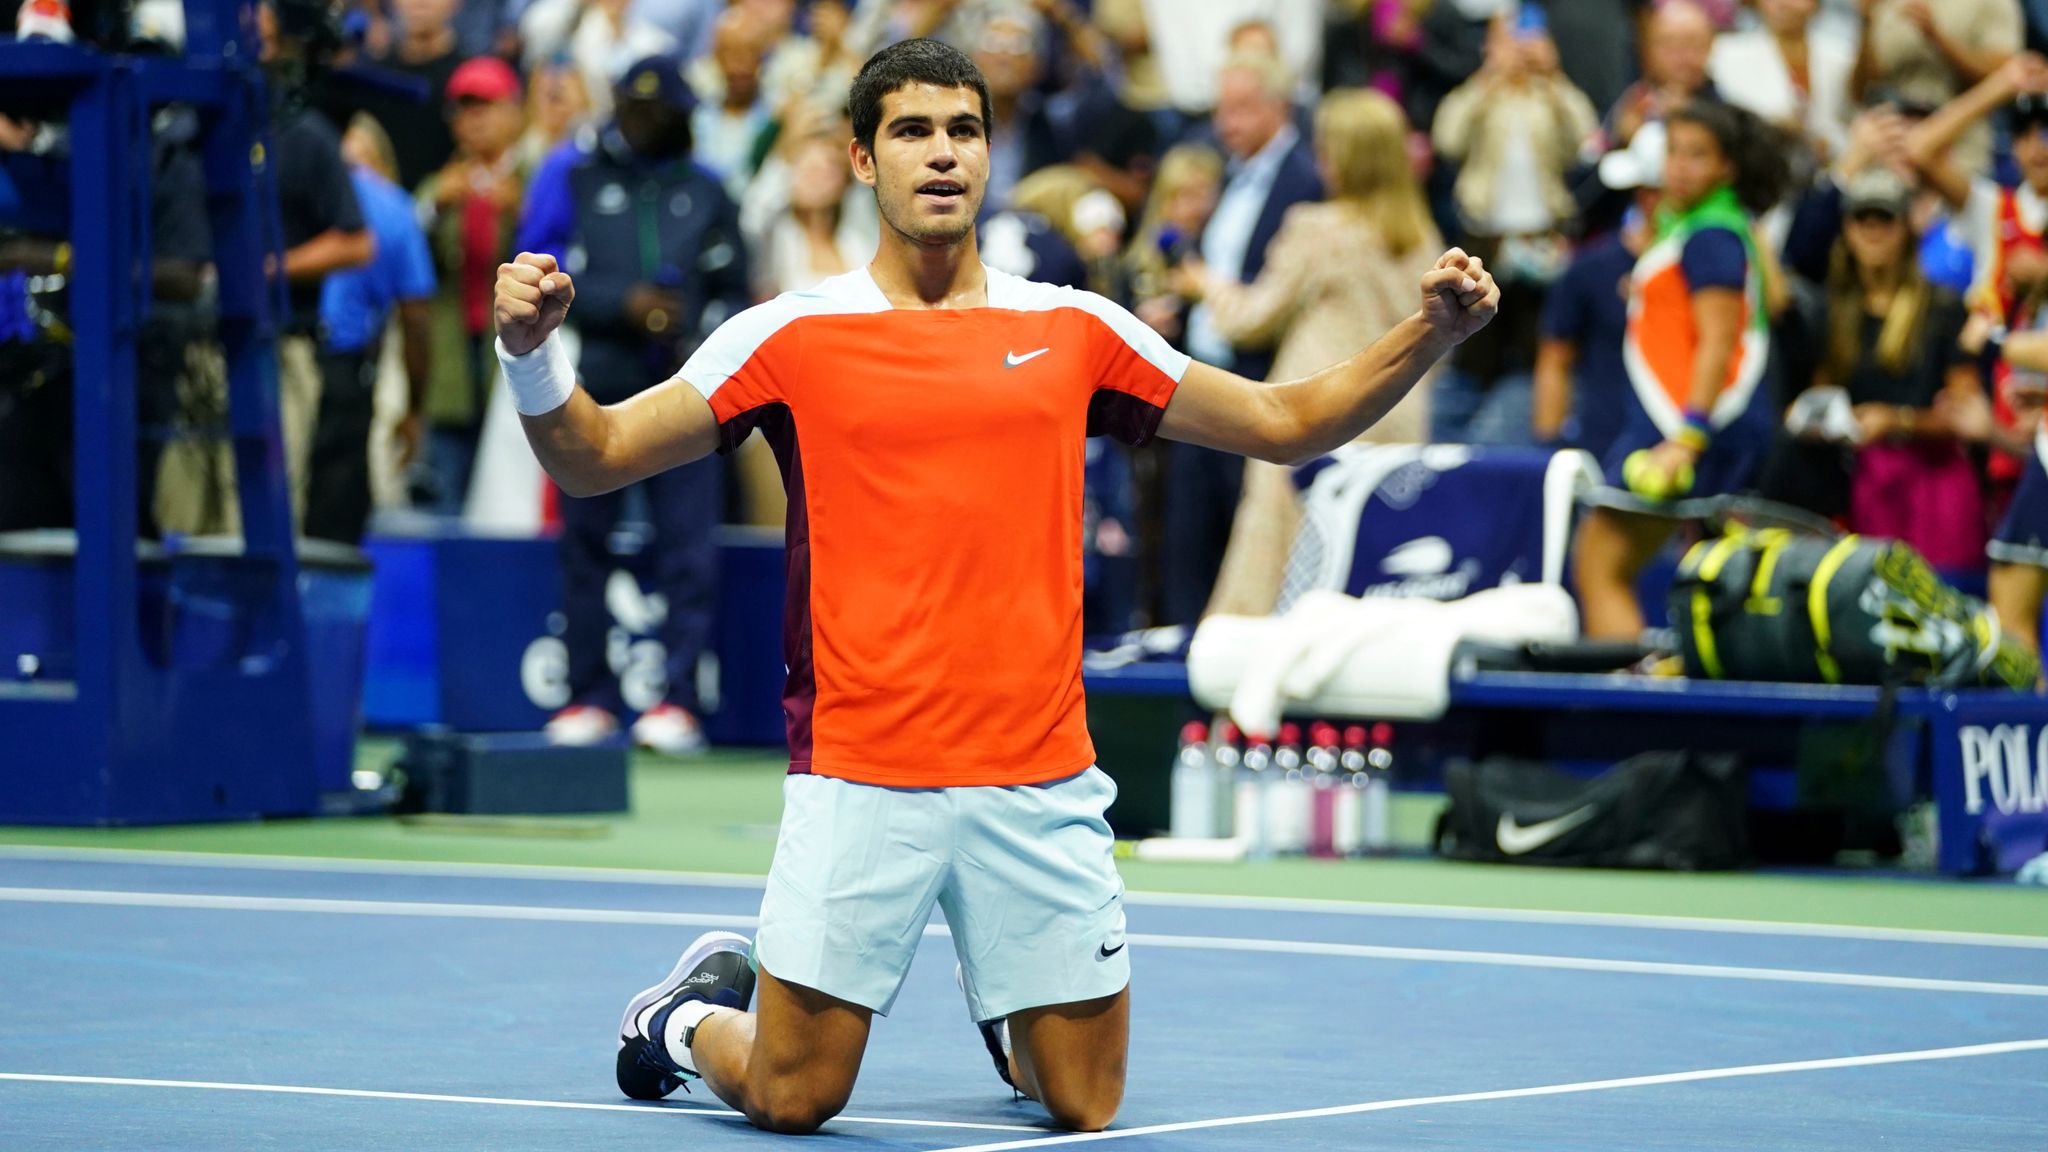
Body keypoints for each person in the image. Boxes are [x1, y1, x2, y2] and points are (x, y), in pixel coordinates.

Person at [492, 38, 1496, 1137]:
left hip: (1037, 771)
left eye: (962, 131)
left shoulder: (1071, 327)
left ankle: (1004, 993)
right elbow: (591, 456)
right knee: (794, 1095)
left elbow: (1282, 422)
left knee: (1080, 1100)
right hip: (862, 771)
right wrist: (537, 355)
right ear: (862, 161)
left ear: (988, 154)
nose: (941, 155)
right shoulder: (786, 335)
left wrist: (1428, 333)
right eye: (911, 132)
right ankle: (682, 1018)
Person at [516, 54, 750, 754]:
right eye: (633, 109)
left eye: (658, 112)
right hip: (601, 377)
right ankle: (587, 695)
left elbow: (738, 286)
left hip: (690, 386)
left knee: (688, 546)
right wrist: (625, 303)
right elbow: (536, 261)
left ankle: (677, 699)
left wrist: (696, 325)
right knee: (585, 538)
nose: (642, 122)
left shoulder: (711, 189)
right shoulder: (576, 177)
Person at [1573, 98, 1791, 641]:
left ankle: (1619, 708)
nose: (1679, 165)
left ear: (1726, 169)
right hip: (1692, 427)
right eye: (1673, 151)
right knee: (1699, 582)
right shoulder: (1703, 225)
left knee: (1601, 564)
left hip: (1688, 430)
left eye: (1698, 155)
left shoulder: (1711, 234)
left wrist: (1688, 439)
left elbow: (1719, 341)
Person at [1168, 49, 1322, 626]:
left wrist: (1205, 287)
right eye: (1221, 110)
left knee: (1242, 533)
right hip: (1198, 370)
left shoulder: (1303, 182)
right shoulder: (1228, 174)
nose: (1225, 123)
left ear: (1279, 107)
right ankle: (1185, 653)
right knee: (1189, 533)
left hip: (1255, 380)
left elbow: (1275, 299)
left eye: (1241, 109)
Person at [1803, 167, 1986, 570]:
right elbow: (1821, 395)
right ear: (1846, 230)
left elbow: (1967, 415)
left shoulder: (1942, 308)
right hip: (1868, 487)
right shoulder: (1831, 311)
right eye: (1861, 218)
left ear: (1906, 228)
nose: (1873, 230)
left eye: (1884, 218)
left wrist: (1897, 420)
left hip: (1935, 489)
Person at [311, 113, 436, 543]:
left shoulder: (287, 184)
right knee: (336, 519)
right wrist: (415, 409)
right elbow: (416, 320)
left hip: (277, 357)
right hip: (346, 372)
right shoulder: (396, 207)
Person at [416, 54, 531, 514]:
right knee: (446, 480)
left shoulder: (536, 178)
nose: (475, 118)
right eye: (464, 108)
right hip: (451, 352)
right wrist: (434, 207)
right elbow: (407, 257)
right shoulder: (441, 186)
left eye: (486, 105)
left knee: (510, 492)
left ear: (514, 111)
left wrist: (523, 214)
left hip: (514, 353)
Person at [1534, 122, 1666, 457]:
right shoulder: (1589, 270)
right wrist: (1550, 451)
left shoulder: (1712, 267)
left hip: (1685, 448)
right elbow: (1554, 360)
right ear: (1645, 194)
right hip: (1605, 449)